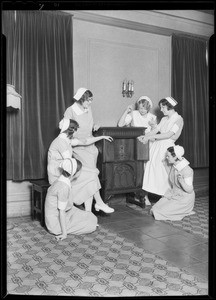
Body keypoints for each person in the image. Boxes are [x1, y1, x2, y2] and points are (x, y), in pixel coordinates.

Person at [47, 117, 114, 213]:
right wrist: (91, 171)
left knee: (92, 176)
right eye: (75, 130)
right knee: (92, 176)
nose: (76, 133)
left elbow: (85, 141)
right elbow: (70, 164)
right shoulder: (60, 142)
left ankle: (90, 213)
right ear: (71, 130)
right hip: (57, 176)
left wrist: (102, 137)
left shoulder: (66, 139)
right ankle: (97, 204)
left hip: (65, 170)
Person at [63, 87, 114, 213]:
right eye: (88, 100)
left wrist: (95, 126)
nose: (90, 103)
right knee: (90, 178)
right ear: (81, 99)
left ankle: (89, 213)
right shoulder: (70, 111)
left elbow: (89, 125)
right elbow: (67, 131)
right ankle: (98, 204)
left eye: (91, 100)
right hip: (79, 147)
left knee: (90, 180)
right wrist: (80, 138)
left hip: (91, 147)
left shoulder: (88, 108)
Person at [138, 96, 184, 205]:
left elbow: (169, 134)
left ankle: (168, 197)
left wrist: (149, 138)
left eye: (163, 107)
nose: (161, 110)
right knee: (152, 170)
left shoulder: (178, 119)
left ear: (169, 107)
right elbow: (156, 130)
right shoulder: (164, 119)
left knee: (165, 173)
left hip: (167, 148)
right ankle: (147, 196)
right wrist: (144, 136)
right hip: (157, 147)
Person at [45, 157, 98, 239]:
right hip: (55, 222)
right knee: (91, 225)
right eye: (80, 171)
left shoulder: (62, 180)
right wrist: (64, 234)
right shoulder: (63, 187)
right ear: (74, 173)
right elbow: (61, 212)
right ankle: (64, 229)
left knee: (90, 216)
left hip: (66, 212)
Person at [118, 96, 157, 206]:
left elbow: (155, 133)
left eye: (144, 108)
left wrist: (153, 127)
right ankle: (137, 194)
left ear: (148, 108)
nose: (142, 110)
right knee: (137, 170)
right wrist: (127, 111)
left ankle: (145, 196)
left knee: (147, 171)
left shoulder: (152, 117)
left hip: (148, 146)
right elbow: (120, 125)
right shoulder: (134, 114)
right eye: (140, 108)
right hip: (135, 146)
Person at [150, 145, 195, 220]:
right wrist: (165, 166)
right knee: (154, 209)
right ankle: (178, 210)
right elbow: (172, 178)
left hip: (185, 199)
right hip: (175, 194)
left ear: (175, 157)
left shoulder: (187, 170)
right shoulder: (175, 166)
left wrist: (182, 182)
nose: (167, 158)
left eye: (168, 156)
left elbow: (190, 190)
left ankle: (185, 210)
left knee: (159, 212)